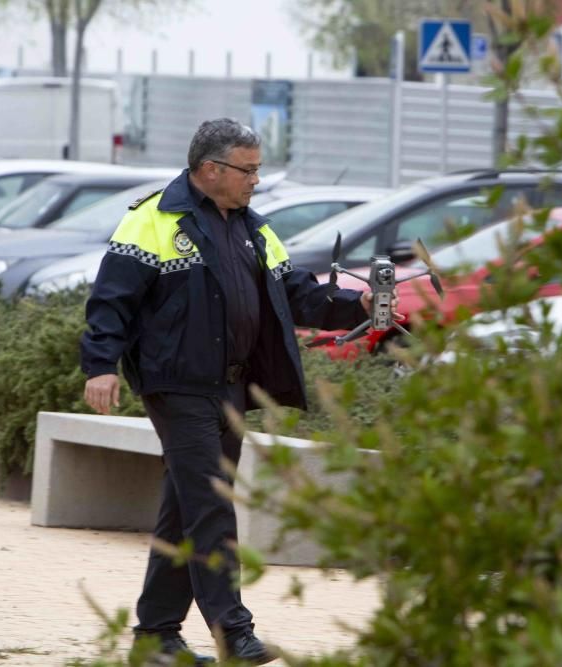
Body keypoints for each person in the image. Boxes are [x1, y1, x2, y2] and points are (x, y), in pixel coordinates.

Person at [80, 118, 381, 665]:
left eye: (258, 170)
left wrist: (355, 306)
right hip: (176, 385)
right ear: (210, 169)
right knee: (213, 505)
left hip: (231, 387)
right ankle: (233, 634)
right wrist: (99, 364)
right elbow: (111, 300)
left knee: (186, 509)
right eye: (249, 170)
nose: (256, 181)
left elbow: (297, 296)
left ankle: (155, 637)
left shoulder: (253, 228)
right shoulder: (153, 221)